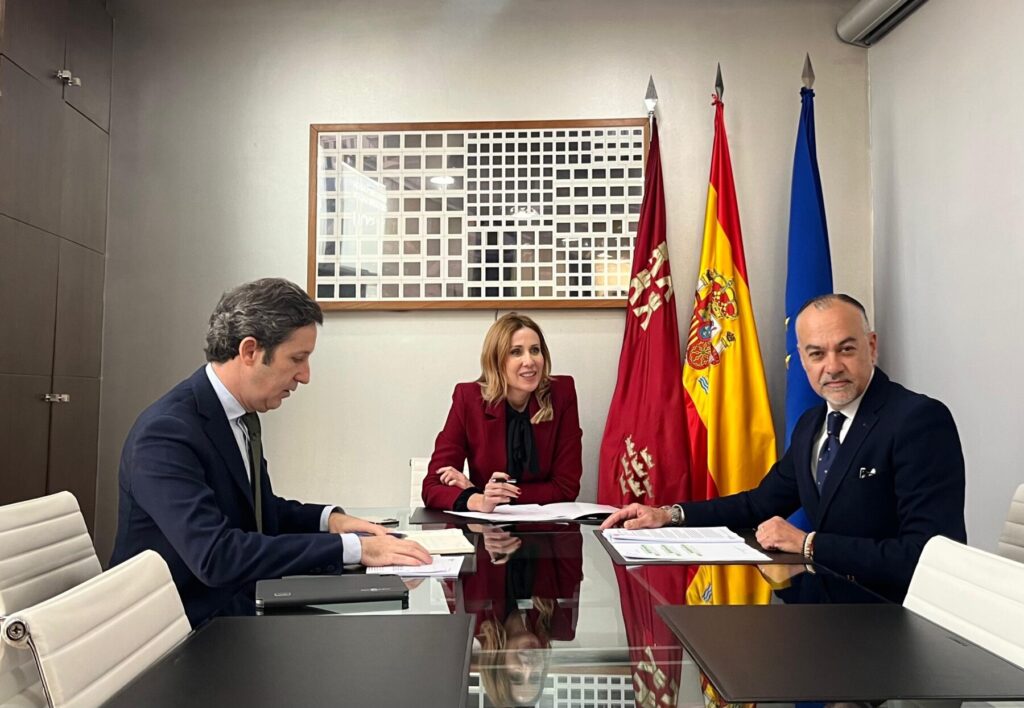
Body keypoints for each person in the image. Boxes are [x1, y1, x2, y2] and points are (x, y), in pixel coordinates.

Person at [110, 278, 430, 626]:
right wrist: (355, 548)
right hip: (179, 631)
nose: (305, 376)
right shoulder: (166, 434)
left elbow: (256, 513)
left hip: (235, 609)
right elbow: (217, 556)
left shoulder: (238, 418)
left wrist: (332, 521)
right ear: (250, 351)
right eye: (297, 358)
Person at [602, 294, 966, 598]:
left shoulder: (918, 420)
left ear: (871, 347)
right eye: (817, 354)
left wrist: (809, 545)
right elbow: (758, 504)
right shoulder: (813, 424)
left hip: (893, 619)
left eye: (846, 349)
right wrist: (669, 515)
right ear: (801, 359)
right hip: (826, 614)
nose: (833, 366)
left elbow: (927, 556)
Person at [422, 312, 583, 512]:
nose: (530, 361)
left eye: (535, 350)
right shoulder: (469, 399)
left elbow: (566, 488)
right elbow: (431, 487)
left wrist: (488, 494)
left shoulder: (562, 394)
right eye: (516, 352)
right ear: (496, 360)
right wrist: (478, 500)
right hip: (487, 532)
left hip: (548, 530)